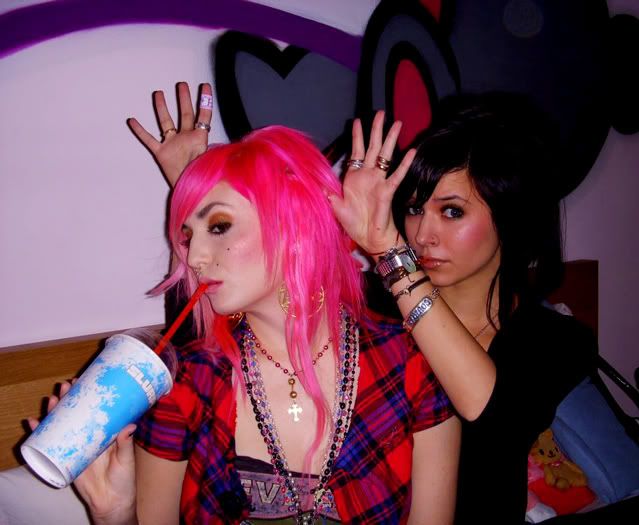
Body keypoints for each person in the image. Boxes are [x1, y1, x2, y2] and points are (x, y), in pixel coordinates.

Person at [33, 101, 467, 524]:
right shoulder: (187, 383)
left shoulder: (409, 364)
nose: (194, 256)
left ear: (294, 226)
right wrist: (114, 515)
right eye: (187, 236)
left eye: (219, 226)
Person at [330, 92, 598, 523]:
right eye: (414, 209)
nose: (423, 235)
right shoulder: (369, 306)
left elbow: (491, 417)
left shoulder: (556, 340)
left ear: (511, 219)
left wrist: (390, 255)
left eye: (452, 212)